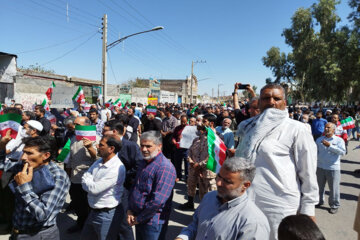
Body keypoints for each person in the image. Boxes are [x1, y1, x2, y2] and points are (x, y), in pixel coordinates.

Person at [235, 84, 318, 240]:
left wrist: (308, 209)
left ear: (284, 103)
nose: (271, 102)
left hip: (279, 204)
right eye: (266, 98)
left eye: (277, 98)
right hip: (247, 199)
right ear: (259, 103)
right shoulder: (249, 128)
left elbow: (308, 172)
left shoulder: (297, 129)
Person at [176, 157, 270, 240]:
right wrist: (182, 237)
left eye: (227, 181)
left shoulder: (253, 223)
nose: (218, 183)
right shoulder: (209, 197)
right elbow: (195, 226)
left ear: (245, 185)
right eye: (219, 177)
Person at [5, 136, 70, 240]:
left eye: (29, 153)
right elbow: (3, 165)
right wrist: (2, 146)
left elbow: (42, 214)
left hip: (38, 235)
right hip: (17, 231)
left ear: (46, 155)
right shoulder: (26, 166)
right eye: (24, 152)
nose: (23, 157)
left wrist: (24, 186)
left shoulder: (57, 176)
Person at [127, 131, 176, 240]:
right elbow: (135, 186)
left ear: (159, 146)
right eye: (142, 145)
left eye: (148, 146)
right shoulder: (144, 162)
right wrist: (130, 209)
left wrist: (139, 218)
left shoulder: (164, 167)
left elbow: (157, 200)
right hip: (139, 217)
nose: (144, 149)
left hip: (152, 222)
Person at [81, 135, 125, 240]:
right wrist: (88, 180)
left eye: (101, 145)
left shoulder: (117, 168)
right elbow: (85, 176)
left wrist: (88, 180)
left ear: (111, 149)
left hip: (106, 215)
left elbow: (94, 189)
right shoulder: (99, 161)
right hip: (93, 211)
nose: (96, 146)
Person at [66, 116, 100, 233]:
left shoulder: (96, 139)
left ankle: (91, 228)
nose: (74, 126)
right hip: (75, 178)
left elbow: (99, 159)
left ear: (86, 125)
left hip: (89, 178)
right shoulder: (73, 138)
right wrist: (68, 174)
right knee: (78, 203)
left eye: (77, 124)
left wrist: (90, 147)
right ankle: (80, 224)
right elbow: (70, 158)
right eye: (74, 124)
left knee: (89, 206)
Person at [179, 124, 217, 210]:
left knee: (207, 190)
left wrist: (199, 165)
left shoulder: (211, 141)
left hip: (204, 169)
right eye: (198, 129)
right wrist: (191, 161)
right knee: (191, 185)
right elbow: (189, 151)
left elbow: (210, 156)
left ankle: (207, 208)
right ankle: (190, 203)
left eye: (200, 130)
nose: (198, 131)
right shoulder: (196, 140)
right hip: (193, 167)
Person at [316, 122, 346, 214]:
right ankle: (319, 201)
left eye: (328, 128)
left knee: (334, 188)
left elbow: (342, 152)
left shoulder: (339, 140)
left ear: (333, 129)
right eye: (325, 127)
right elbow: (315, 152)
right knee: (319, 187)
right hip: (320, 167)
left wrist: (330, 146)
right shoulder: (319, 139)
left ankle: (334, 205)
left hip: (333, 168)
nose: (326, 129)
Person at [172, 115, 189, 181]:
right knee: (177, 163)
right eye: (182, 121)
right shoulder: (177, 128)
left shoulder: (190, 128)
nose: (183, 123)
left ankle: (187, 176)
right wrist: (174, 140)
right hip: (178, 148)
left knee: (187, 164)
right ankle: (178, 176)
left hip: (186, 149)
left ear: (187, 121)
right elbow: (174, 136)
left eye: (184, 122)